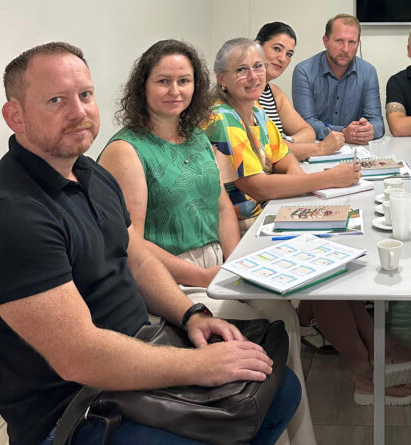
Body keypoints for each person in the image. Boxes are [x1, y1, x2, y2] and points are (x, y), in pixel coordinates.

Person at [0, 42, 299, 445]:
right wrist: (199, 366)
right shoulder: (13, 213)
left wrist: (191, 314)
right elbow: (80, 356)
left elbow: (134, 259)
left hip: (138, 356)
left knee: (280, 391)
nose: (79, 112)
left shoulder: (89, 173)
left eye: (85, 95)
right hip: (76, 409)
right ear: (14, 115)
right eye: (56, 100)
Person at [97, 40, 316, 445]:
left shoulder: (196, 137)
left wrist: (236, 263)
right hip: (168, 281)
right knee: (256, 334)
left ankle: (296, 437)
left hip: (217, 264)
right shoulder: (127, 149)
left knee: (283, 315)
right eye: (164, 81)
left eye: (184, 81)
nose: (175, 90)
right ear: (141, 86)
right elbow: (133, 245)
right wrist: (203, 274)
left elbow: (221, 208)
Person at [202, 38, 361, 231]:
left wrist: (298, 179)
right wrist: (329, 179)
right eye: (241, 70)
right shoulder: (222, 119)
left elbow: (282, 155)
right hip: (243, 228)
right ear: (222, 79)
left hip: (267, 212)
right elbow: (258, 188)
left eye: (258, 67)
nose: (253, 76)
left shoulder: (257, 111)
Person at [255, 21, 346, 161]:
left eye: (289, 54)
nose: (282, 59)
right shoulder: (241, 92)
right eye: (277, 49)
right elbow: (262, 149)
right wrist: (320, 148)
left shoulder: (274, 92)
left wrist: (285, 143)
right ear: (256, 46)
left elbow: (308, 132)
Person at [291, 13, 384, 145]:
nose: (345, 49)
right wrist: (343, 132)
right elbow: (306, 122)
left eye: (352, 42)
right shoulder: (304, 71)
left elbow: (378, 123)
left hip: (356, 150)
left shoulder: (368, 72)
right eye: (339, 41)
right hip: (317, 148)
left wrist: (368, 130)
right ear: (325, 41)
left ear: (358, 44)